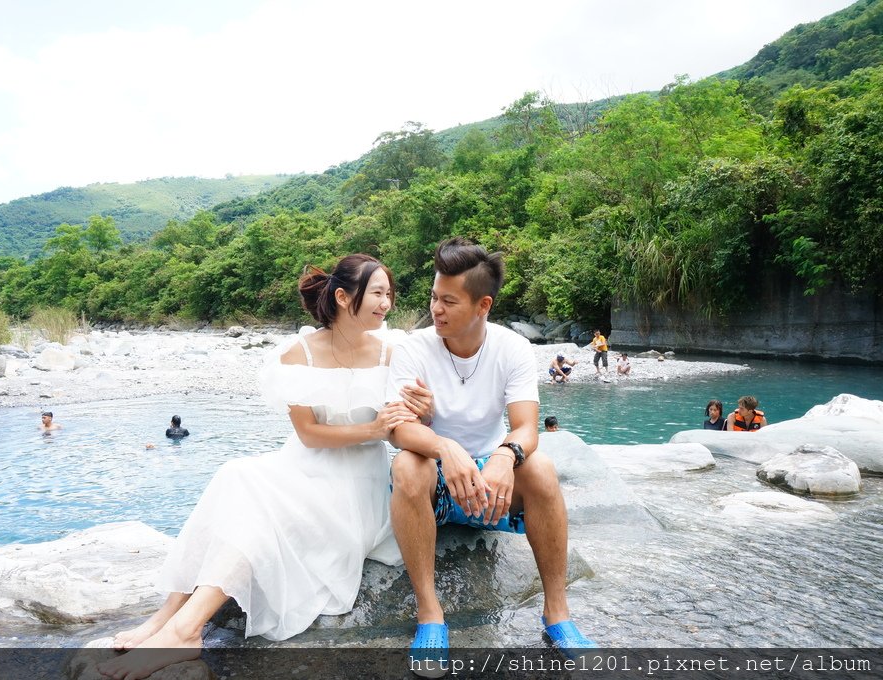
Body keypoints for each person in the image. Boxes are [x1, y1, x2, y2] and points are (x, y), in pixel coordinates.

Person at [99, 254, 431, 680]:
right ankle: (164, 620)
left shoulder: (395, 351)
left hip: (354, 484)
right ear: (345, 296)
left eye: (390, 294)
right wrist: (374, 427)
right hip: (302, 465)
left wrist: (422, 412)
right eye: (379, 293)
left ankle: (185, 631)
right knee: (236, 474)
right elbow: (309, 434)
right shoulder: (299, 354)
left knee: (253, 499)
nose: (387, 303)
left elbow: (416, 423)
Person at [387, 238, 594, 674]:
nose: (435, 309)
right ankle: (431, 615)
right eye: (432, 297)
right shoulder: (412, 348)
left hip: (492, 488)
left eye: (447, 300)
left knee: (539, 466)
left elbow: (525, 426)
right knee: (407, 464)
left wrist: (504, 457)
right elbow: (398, 429)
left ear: (482, 305)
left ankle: (557, 614)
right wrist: (445, 446)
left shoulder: (512, 348)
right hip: (436, 484)